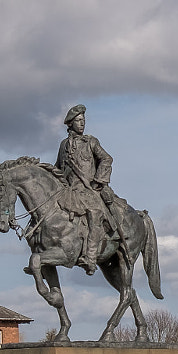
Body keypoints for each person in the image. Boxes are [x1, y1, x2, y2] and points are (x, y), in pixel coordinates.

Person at [53, 104, 125, 274]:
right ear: (70, 124)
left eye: (83, 120)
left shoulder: (91, 142)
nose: (82, 123)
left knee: (94, 214)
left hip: (89, 191)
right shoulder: (63, 145)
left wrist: (99, 180)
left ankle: (90, 258)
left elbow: (107, 159)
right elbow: (58, 168)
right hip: (70, 192)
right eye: (78, 121)